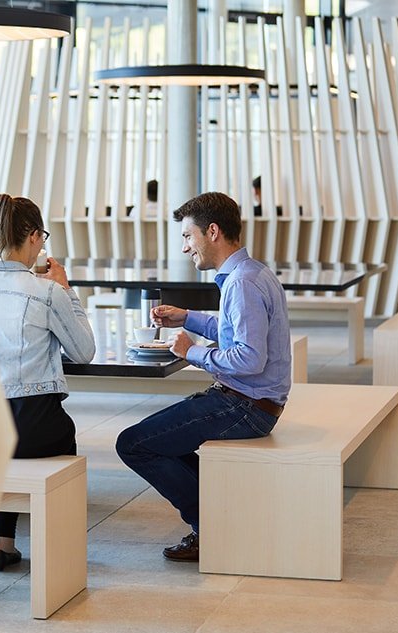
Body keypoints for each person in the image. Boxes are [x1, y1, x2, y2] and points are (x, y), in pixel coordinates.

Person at [115, 191, 291, 563]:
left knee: (133, 443)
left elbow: (249, 358)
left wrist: (189, 352)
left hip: (246, 407)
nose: (184, 248)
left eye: (187, 237)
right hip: (251, 402)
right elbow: (233, 330)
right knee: (161, 441)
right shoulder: (251, 272)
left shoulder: (241, 284)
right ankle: (224, 518)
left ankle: (212, 528)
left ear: (212, 231)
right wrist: (188, 318)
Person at [0, 193, 96, 571]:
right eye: (42, 236)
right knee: (62, 432)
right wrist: (67, 290)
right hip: (33, 428)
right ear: (33, 237)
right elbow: (84, 351)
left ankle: (2, 542)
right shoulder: (47, 293)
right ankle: (61, 548)